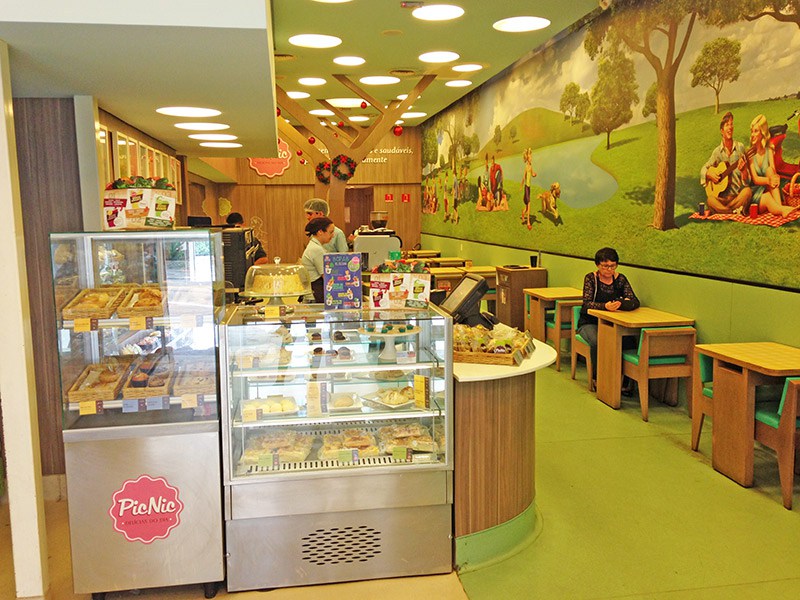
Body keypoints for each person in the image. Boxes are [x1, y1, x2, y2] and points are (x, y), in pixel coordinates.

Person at [576, 247, 640, 392]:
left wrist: (620, 303)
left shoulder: (620, 279)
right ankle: (597, 378)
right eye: (605, 266)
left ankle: (625, 383)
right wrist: (605, 306)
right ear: (598, 265)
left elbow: (635, 301)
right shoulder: (591, 279)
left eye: (612, 266)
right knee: (597, 341)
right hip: (590, 322)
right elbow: (586, 304)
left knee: (629, 341)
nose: (609, 269)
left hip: (613, 322)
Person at [700, 111, 753, 214]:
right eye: (727, 125)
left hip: (736, 197)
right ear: (722, 131)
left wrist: (743, 171)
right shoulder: (717, 152)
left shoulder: (740, 148)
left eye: (731, 124)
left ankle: (724, 211)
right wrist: (708, 173)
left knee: (747, 192)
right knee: (710, 200)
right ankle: (731, 211)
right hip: (722, 200)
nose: (730, 127)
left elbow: (747, 182)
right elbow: (704, 168)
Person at [748, 114, 800, 218]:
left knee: (769, 170)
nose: (752, 135)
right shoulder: (751, 155)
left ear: (762, 133)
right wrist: (769, 180)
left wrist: (775, 178)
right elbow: (756, 179)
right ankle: (781, 209)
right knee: (767, 197)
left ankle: (779, 207)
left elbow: (773, 171)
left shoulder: (769, 150)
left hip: (769, 188)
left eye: (756, 131)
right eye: (752, 131)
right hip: (756, 193)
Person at [301, 217, 335, 303]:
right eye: (331, 232)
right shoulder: (316, 249)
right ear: (320, 232)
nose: (333, 235)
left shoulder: (315, 246)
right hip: (315, 295)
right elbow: (327, 276)